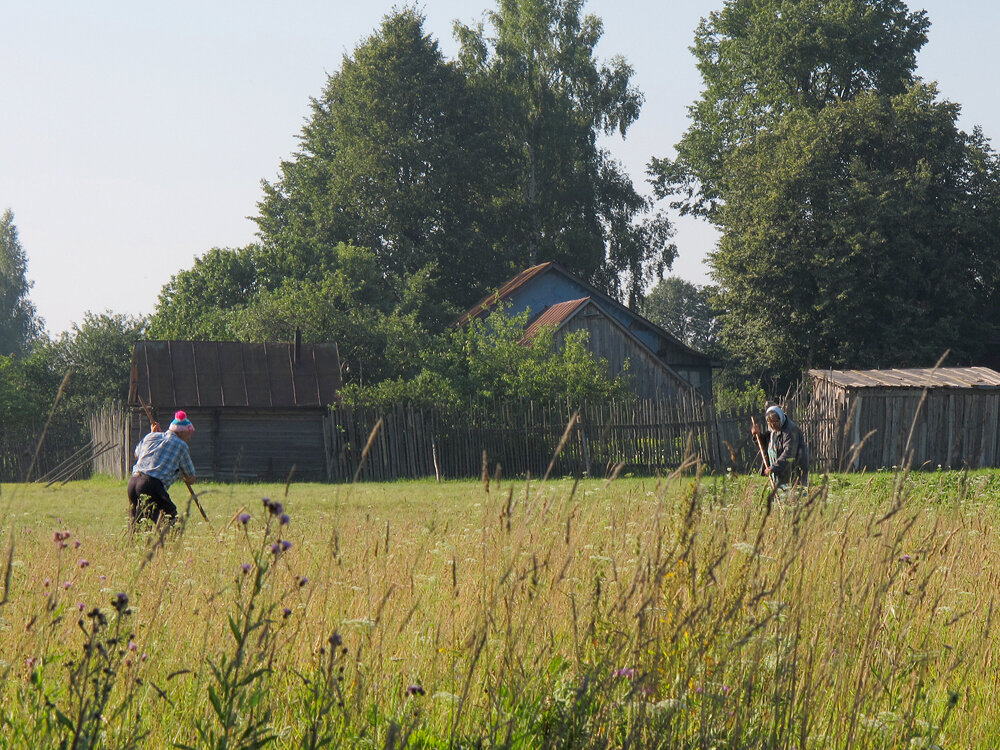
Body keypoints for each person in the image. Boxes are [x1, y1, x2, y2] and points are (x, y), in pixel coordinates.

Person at [127, 410, 197, 527]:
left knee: (137, 520)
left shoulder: (151, 436)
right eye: (189, 434)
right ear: (181, 432)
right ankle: (169, 544)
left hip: (133, 482)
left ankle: (133, 544)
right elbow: (190, 477)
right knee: (170, 519)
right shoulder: (181, 445)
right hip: (150, 484)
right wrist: (187, 476)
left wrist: (153, 435)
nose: (189, 438)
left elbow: (137, 455)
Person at [750, 404, 809, 488]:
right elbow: (766, 444)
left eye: (775, 421)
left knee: (794, 497)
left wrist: (773, 467)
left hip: (794, 472)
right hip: (780, 473)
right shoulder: (773, 431)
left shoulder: (791, 431)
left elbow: (789, 453)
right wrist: (757, 435)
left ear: (780, 419)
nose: (773, 425)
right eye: (770, 422)